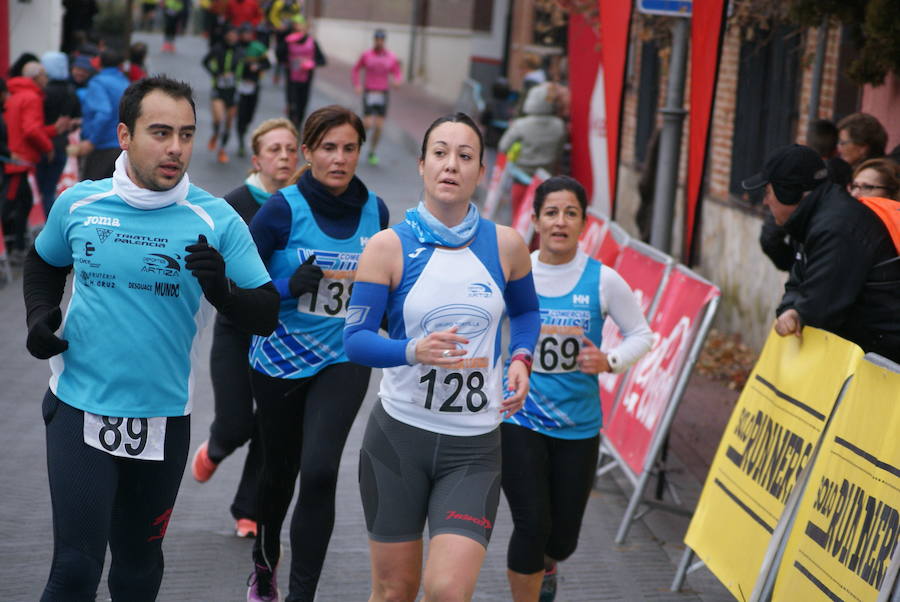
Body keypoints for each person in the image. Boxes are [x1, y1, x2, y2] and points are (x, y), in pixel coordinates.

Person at [22, 74, 279, 602]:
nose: (176, 148)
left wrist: (222, 291)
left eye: (186, 134)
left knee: (137, 572)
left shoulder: (216, 219)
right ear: (124, 134)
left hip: (162, 418)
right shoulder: (79, 205)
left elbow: (267, 313)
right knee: (74, 570)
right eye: (160, 133)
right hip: (80, 407)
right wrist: (39, 315)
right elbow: (43, 262)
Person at [343, 112, 541, 601]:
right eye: (440, 153)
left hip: (473, 448)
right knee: (394, 591)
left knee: (448, 590)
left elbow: (529, 313)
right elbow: (356, 341)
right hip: (398, 440)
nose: (451, 165)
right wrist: (413, 349)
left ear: (479, 170)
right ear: (422, 165)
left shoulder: (508, 245)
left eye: (465, 156)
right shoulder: (387, 248)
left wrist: (520, 358)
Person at [244, 105, 389, 602]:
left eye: (349, 148)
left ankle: (301, 595)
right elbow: (240, 287)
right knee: (279, 472)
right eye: (328, 148)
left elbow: (390, 289)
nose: (339, 158)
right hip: (279, 357)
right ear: (308, 152)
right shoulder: (281, 209)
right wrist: (286, 285)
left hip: (343, 357)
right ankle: (264, 563)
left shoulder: (377, 212)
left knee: (322, 468)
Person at [501, 175, 653, 602]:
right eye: (551, 213)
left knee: (561, 538)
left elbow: (642, 334)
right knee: (531, 523)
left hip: (578, 428)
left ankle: (548, 567)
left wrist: (610, 361)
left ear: (585, 223)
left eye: (570, 213)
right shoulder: (516, 274)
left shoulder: (603, 280)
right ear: (535, 220)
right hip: (520, 419)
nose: (560, 222)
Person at [191, 117, 300, 540]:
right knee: (238, 424)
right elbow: (227, 280)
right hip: (238, 331)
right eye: (275, 149)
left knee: (272, 427)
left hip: (284, 336)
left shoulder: (303, 206)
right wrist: (291, 285)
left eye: (291, 149)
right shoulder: (236, 204)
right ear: (256, 158)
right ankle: (217, 447)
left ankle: (249, 509)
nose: (285, 157)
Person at [742, 144, 900, 363]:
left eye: (768, 192)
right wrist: (790, 309)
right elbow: (797, 280)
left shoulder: (836, 226)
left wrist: (798, 313)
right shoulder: (814, 218)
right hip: (867, 352)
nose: (765, 201)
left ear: (790, 191)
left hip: (884, 359)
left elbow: (822, 307)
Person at [4, 62, 71, 259]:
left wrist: (53, 130)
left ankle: (16, 246)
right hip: (20, 160)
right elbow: (31, 130)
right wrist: (48, 147)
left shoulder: (16, 94)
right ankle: (17, 247)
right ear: (35, 77)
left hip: (15, 156)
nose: (47, 78)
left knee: (22, 203)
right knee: (11, 203)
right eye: (43, 74)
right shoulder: (32, 97)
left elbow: (28, 127)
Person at [70, 49, 130, 181]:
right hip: (121, 144)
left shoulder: (98, 83)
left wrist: (92, 141)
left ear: (99, 64)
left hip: (101, 146)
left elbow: (103, 113)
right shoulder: (125, 82)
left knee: (93, 190)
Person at [38, 52, 81, 217]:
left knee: (39, 190)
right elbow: (77, 118)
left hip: (41, 145)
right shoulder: (71, 91)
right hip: (61, 145)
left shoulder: (42, 93)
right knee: (50, 189)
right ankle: (52, 223)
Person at [352, 29, 402, 167]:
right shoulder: (366, 55)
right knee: (367, 124)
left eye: (381, 40)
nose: (379, 42)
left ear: (384, 41)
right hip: (369, 92)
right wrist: (357, 85)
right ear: (374, 40)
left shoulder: (390, 57)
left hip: (382, 94)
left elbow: (397, 71)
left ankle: (372, 152)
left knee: (379, 126)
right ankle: (356, 145)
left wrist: (397, 80)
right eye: (377, 39)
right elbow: (356, 69)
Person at [203, 26, 242, 163]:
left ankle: (222, 149)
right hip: (218, 89)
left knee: (229, 122)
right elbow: (205, 62)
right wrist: (217, 74)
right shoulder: (218, 48)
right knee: (219, 119)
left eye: (234, 35)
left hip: (232, 91)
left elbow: (244, 68)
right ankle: (215, 134)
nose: (232, 37)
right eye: (230, 34)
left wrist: (237, 76)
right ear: (226, 35)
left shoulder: (240, 51)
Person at [235, 24, 271, 157]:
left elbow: (268, 64)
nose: (247, 36)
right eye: (245, 33)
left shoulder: (258, 47)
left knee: (250, 113)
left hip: (253, 85)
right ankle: (240, 141)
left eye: (249, 33)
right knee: (241, 114)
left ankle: (244, 128)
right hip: (238, 85)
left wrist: (258, 66)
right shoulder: (236, 47)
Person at [284, 15, 325, 131]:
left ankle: (298, 126)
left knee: (301, 105)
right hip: (292, 78)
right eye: (297, 28)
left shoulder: (312, 42)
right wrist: (285, 40)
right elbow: (280, 56)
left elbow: (322, 60)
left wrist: (312, 63)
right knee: (292, 105)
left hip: (305, 79)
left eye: (302, 28)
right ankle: (291, 127)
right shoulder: (289, 41)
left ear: (306, 29)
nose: (299, 30)